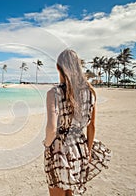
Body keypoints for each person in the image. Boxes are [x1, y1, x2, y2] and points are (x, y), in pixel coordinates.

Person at [43, 49, 111, 196]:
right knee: (70, 193)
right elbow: (92, 125)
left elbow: (52, 128)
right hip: (80, 148)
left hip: (59, 149)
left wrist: (47, 146)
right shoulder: (90, 92)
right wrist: (89, 150)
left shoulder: (54, 93)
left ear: (58, 67)